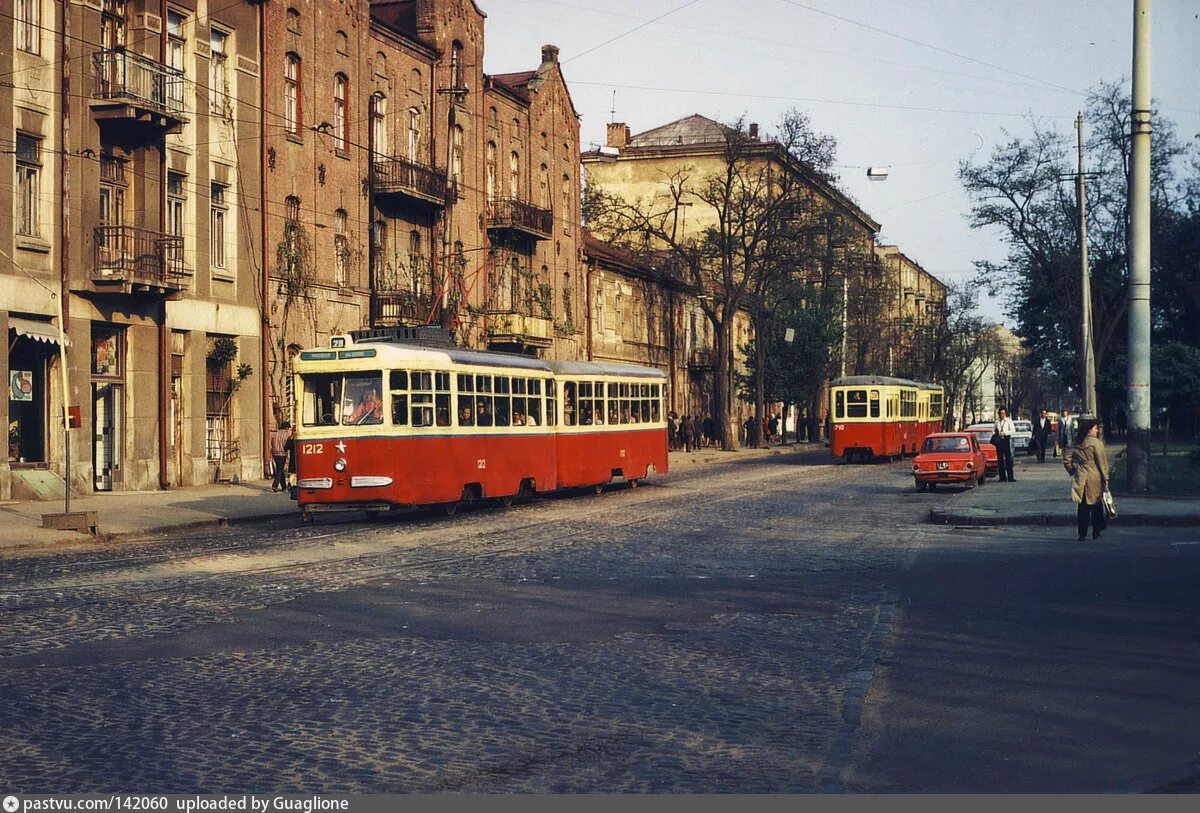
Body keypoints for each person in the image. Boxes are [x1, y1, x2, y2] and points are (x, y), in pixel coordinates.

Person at [1063, 417, 1108, 541]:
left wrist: (1073, 470)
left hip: (1081, 475)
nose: (1096, 431)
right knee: (1096, 504)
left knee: (1082, 506)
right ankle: (1096, 531)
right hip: (1094, 475)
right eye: (1095, 429)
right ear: (1089, 430)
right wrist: (1105, 477)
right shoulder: (1096, 443)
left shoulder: (1076, 443)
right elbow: (1101, 462)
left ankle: (1082, 534)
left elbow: (1067, 460)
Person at [993, 406, 1016, 482]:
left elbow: (1013, 430)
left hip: (1006, 440)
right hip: (999, 441)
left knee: (1008, 459)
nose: (1002, 415)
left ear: (1005, 414)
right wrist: (997, 434)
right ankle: (1002, 477)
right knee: (1000, 460)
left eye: (1003, 413)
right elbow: (993, 430)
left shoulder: (1008, 421)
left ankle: (1010, 477)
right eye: (1000, 413)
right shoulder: (997, 421)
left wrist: (1005, 433)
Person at [269, 421, 292, 493]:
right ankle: (274, 485)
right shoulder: (286, 435)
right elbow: (288, 446)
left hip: (275, 454)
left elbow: (272, 444)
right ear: (286, 428)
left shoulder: (274, 434)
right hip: (282, 454)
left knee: (280, 469)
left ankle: (283, 487)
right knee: (280, 470)